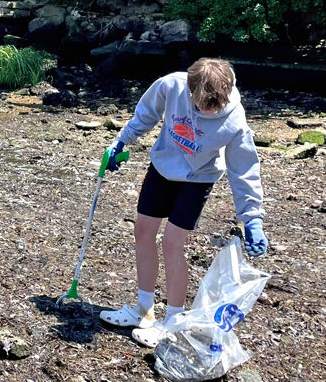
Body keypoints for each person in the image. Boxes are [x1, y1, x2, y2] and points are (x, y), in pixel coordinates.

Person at [98, 58, 267, 347]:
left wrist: (252, 218)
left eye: (213, 107)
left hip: (198, 178)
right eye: (201, 105)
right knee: (143, 231)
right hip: (163, 166)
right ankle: (144, 310)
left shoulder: (234, 120)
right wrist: (121, 141)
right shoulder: (171, 85)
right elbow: (147, 114)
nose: (206, 111)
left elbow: (244, 169)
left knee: (173, 243)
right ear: (190, 92)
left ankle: (173, 320)